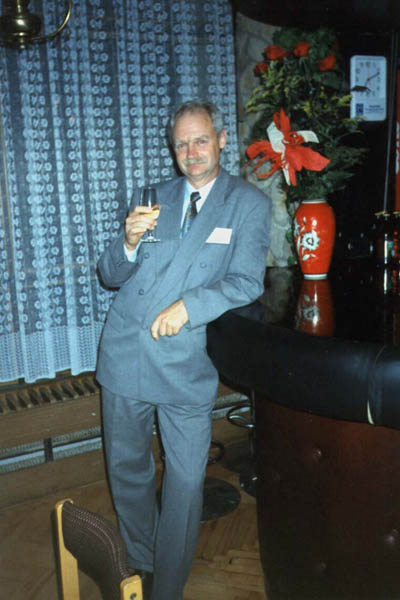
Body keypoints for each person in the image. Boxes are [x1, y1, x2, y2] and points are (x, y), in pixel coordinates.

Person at [96, 100, 271, 600]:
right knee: (127, 469)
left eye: (200, 140)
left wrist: (189, 306)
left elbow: (246, 281)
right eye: (181, 144)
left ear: (221, 140)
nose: (191, 153)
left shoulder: (248, 204)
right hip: (126, 351)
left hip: (186, 359)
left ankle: (167, 587)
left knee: (187, 480)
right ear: (172, 149)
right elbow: (110, 275)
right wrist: (127, 244)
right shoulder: (153, 195)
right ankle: (142, 560)